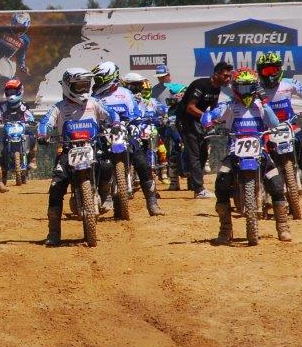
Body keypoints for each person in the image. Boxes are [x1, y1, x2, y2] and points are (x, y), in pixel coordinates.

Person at [202, 69, 290, 244]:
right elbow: (212, 114)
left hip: (261, 151)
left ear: (256, 87)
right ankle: (225, 229)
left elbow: (273, 123)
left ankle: (283, 226)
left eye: (249, 87)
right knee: (221, 183)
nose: (245, 92)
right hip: (235, 152)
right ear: (235, 88)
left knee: (276, 183)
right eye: (242, 88)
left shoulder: (260, 105)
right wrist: (207, 120)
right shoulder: (229, 105)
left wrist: (265, 103)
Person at [36, 68, 110, 246]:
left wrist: (114, 123)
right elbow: (44, 122)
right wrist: (42, 134)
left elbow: (110, 114)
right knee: (56, 187)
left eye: (86, 85)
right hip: (68, 151)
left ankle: (105, 196)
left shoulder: (94, 103)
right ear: (69, 86)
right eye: (79, 85)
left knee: (106, 165)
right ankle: (53, 231)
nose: (83, 89)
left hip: (91, 146)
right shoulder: (59, 107)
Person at [92, 62, 162, 216]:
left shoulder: (125, 93)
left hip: (125, 132)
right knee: (102, 165)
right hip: (104, 135)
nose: (97, 82)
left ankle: (152, 202)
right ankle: (103, 195)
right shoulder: (95, 97)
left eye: (99, 78)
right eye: (96, 79)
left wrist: (136, 121)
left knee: (142, 164)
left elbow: (135, 112)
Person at [254, 51, 302, 183]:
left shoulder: (290, 83)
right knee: (260, 152)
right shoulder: (256, 89)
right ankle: (261, 182)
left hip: (289, 123)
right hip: (266, 128)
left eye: (273, 70)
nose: (270, 74)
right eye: (266, 71)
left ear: (279, 70)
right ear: (260, 72)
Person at [175, 61, 232, 198]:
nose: (228, 79)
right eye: (225, 76)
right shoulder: (201, 84)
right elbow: (190, 107)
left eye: (230, 76)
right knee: (195, 154)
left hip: (198, 121)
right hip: (186, 120)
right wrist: (206, 116)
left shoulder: (217, 88)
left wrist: (218, 119)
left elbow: (213, 109)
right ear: (216, 74)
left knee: (203, 154)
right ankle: (199, 189)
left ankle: (194, 182)